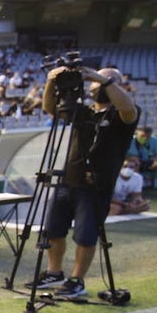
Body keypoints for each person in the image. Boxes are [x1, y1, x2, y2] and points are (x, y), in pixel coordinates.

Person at [26, 66, 138, 299]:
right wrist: (51, 81)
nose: (100, 84)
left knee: (86, 235)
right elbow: (50, 108)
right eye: (97, 81)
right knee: (54, 230)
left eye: (109, 80)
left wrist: (100, 78)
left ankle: (77, 281)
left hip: (96, 185)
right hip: (69, 179)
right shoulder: (84, 113)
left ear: (117, 84)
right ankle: (54, 272)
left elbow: (127, 107)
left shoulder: (122, 114)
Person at [126, 126, 157, 196]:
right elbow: (131, 156)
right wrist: (136, 161)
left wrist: (156, 162)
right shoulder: (131, 141)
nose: (145, 138)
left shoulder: (154, 140)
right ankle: (135, 192)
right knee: (135, 164)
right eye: (142, 136)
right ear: (137, 133)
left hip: (148, 160)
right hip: (134, 161)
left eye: (148, 137)